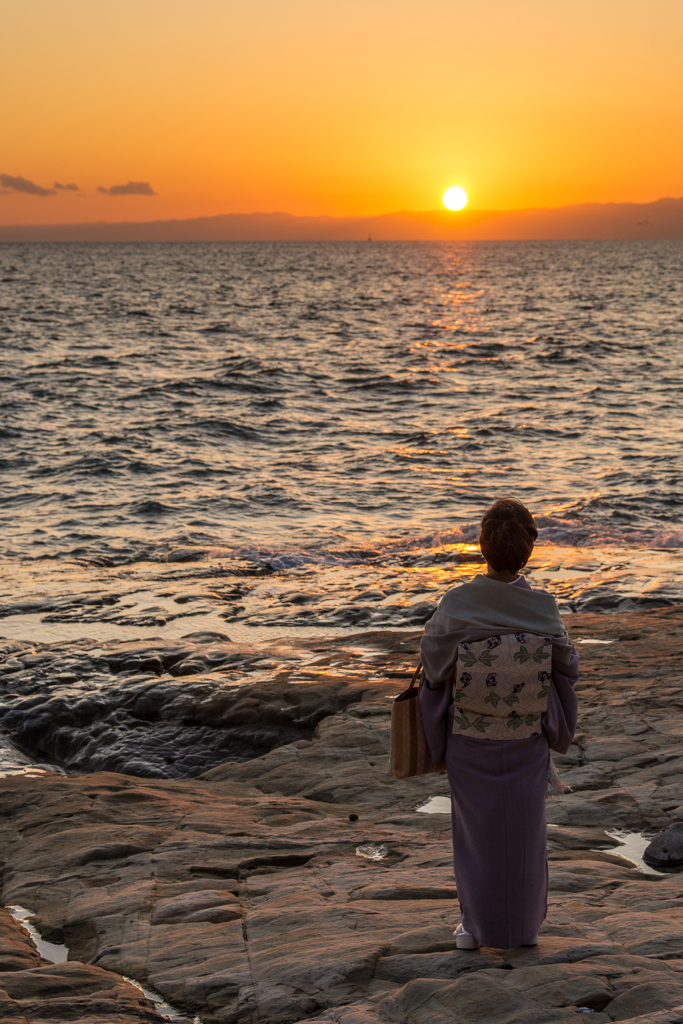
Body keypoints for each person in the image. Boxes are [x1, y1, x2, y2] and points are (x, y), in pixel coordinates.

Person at [419, 497, 579, 950]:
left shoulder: (457, 601)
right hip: (526, 736)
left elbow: (433, 667)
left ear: (482, 546)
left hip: (469, 737)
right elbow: (568, 664)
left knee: (476, 834)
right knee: (525, 833)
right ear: (528, 549)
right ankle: (523, 928)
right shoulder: (543, 607)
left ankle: (473, 926)